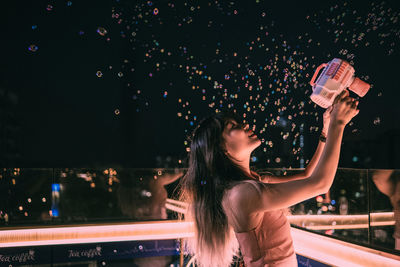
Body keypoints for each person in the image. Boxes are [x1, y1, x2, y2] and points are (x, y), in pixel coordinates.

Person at [177, 89, 359, 267]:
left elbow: (308, 176)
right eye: (233, 127)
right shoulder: (241, 194)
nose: (245, 126)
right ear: (221, 149)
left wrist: (326, 131)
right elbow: (320, 184)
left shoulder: (253, 182)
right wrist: (338, 123)